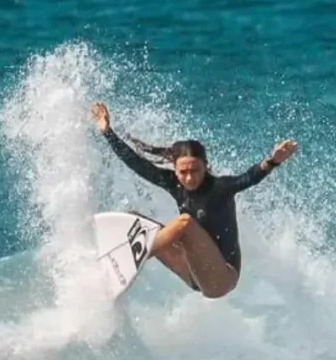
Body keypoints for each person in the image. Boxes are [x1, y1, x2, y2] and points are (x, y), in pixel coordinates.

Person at [91, 102, 298, 299]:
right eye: (183, 172)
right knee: (136, 221)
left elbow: (249, 177)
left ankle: (131, 257)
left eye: (195, 170)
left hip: (221, 279)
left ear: (206, 166)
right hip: (191, 271)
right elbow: (137, 163)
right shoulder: (174, 184)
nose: (189, 178)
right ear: (175, 168)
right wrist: (107, 132)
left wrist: (272, 161)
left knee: (185, 223)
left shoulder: (220, 188)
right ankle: (102, 267)